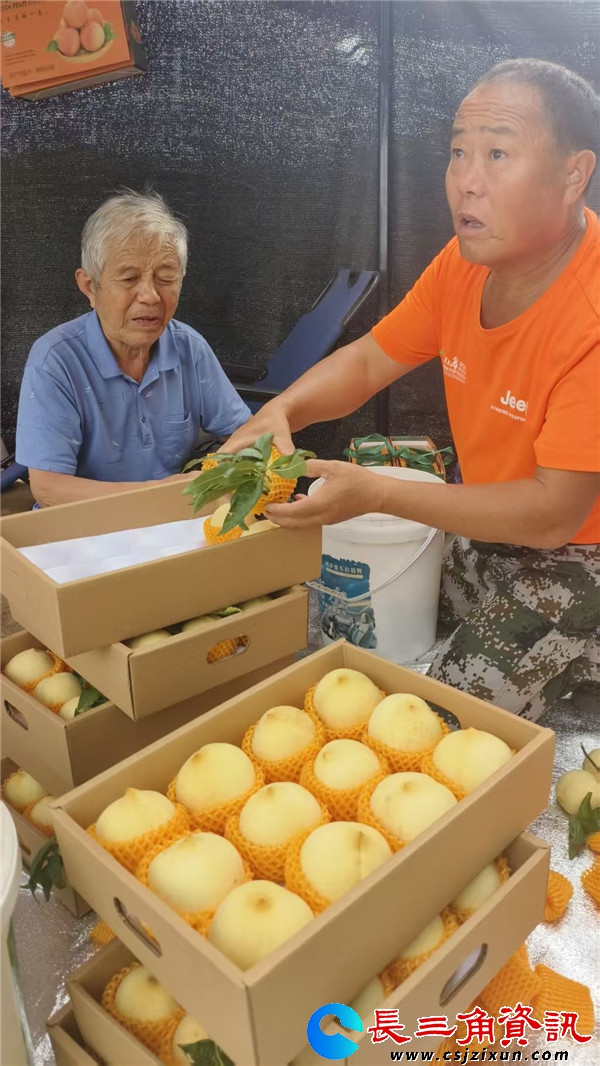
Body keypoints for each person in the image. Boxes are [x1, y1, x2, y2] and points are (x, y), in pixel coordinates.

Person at [223, 58, 600, 721]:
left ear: (574, 175)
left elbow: (553, 513)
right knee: (355, 623)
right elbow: (371, 360)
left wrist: (376, 493)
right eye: (458, 153)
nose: (467, 182)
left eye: (498, 154)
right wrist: (282, 408)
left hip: (575, 555)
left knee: (435, 721)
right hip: (483, 523)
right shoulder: (463, 263)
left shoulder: (590, 312)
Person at [16, 189, 250, 507]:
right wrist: (162, 493)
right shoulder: (55, 360)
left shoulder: (189, 348)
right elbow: (49, 489)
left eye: (166, 278)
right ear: (90, 287)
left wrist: (231, 471)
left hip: (176, 518)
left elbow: (247, 434)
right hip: (87, 527)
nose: (151, 296)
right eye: (129, 279)